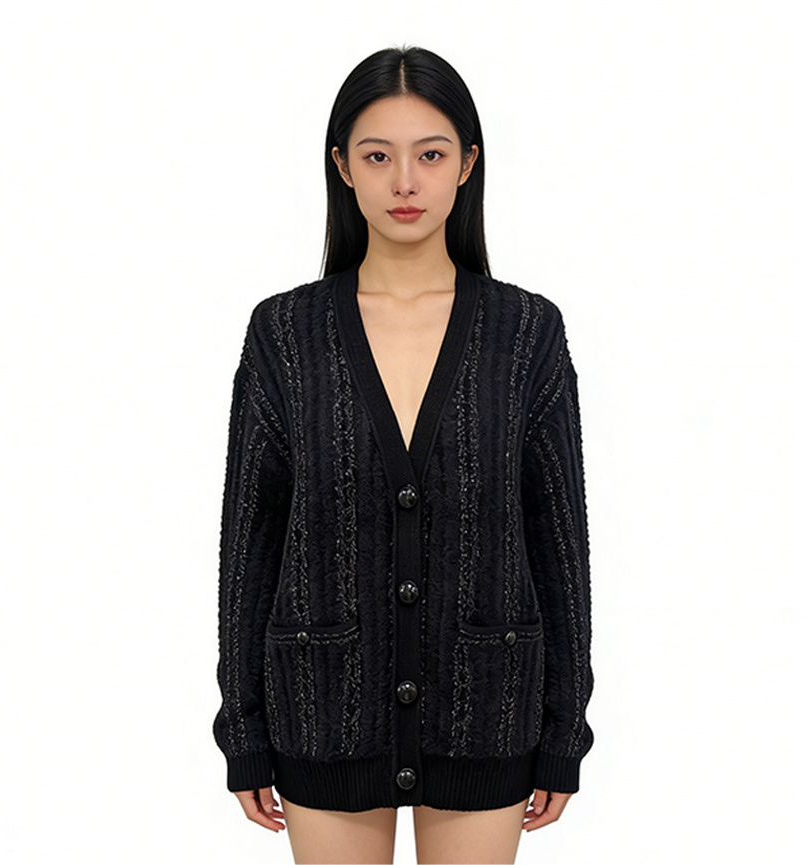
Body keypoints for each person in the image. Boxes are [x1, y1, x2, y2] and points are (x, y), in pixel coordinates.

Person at [212, 44, 595, 865]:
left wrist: (566, 727)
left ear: (468, 165)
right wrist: (242, 726)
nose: (405, 182)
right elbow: (250, 541)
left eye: (431, 155)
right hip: (324, 707)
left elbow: (559, 539)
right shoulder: (284, 333)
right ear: (342, 167)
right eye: (378, 156)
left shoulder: (527, 332)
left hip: (486, 705)